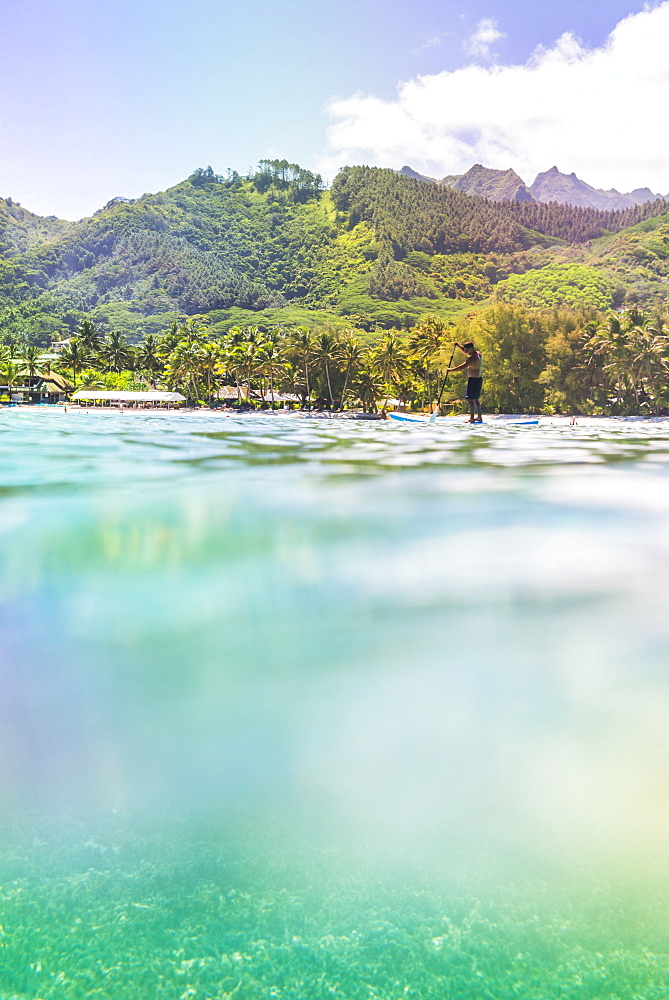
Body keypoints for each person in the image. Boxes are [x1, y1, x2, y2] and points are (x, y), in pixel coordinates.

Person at [448, 342, 483, 423]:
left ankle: (471, 418)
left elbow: (462, 367)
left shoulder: (472, 359)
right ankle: (479, 417)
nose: (466, 352)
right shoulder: (478, 354)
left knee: (470, 399)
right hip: (479, 379)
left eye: (467, 350)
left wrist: (450, 370)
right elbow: (465, 351)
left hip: (473, 380)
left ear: (471, 348)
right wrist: (458, 346)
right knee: (475, 399)